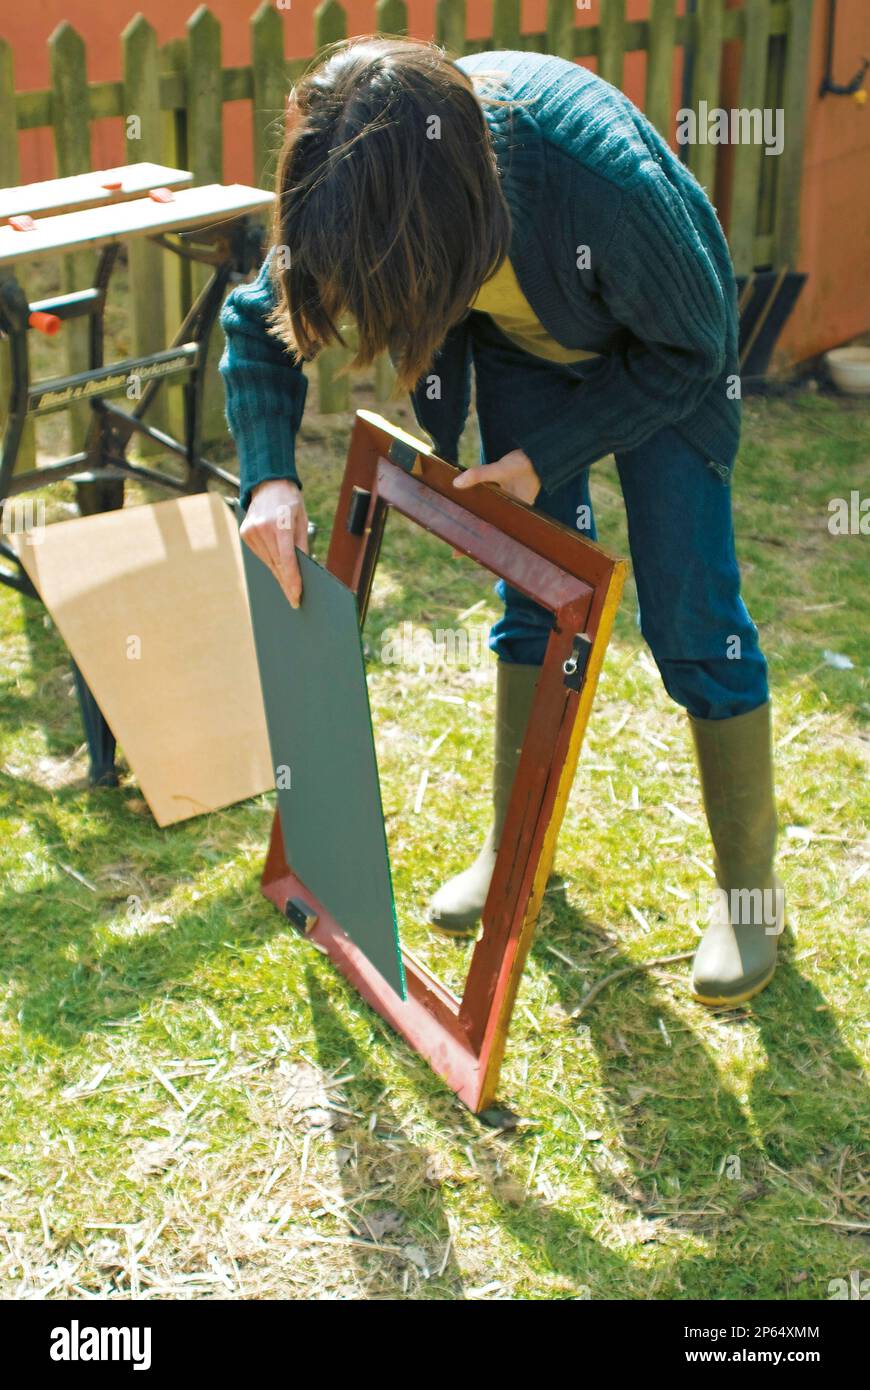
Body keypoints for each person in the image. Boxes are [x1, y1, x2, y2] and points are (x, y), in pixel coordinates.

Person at [219, 36, 784, 1007]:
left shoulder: (600, 181)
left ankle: (753, 898)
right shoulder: (360, 180)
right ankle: (514, 853)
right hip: (531, 346)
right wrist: (270, 479)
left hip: (666, 359)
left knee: (694, 617)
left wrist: (545, 458)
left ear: (451, 231)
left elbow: (696, 345)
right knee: (529, 593)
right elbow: (255, 326)